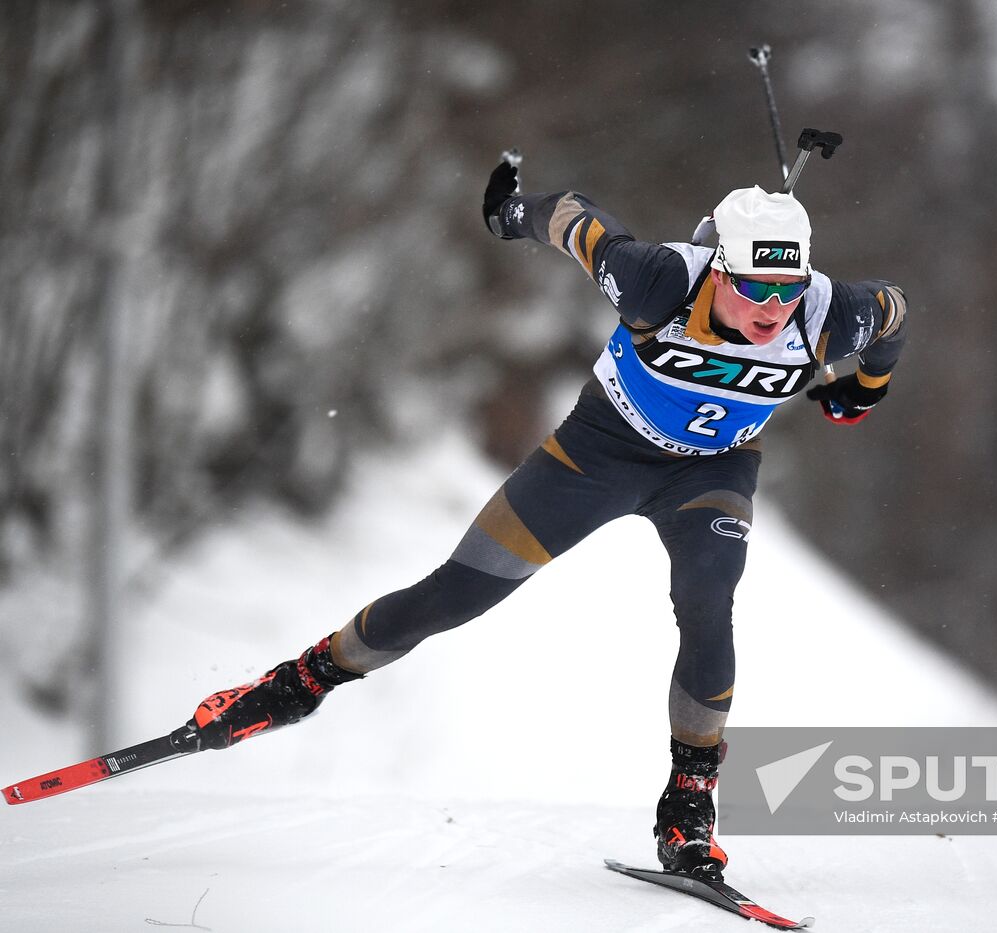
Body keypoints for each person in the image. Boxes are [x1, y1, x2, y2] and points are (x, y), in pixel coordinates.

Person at [183, 157, 909, 881]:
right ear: (719, 269)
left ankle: (688, 805)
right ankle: (294, 684)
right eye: (754, 285)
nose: (771, 308)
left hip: (710, 474)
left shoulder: (829, 312)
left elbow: (895, 315)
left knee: (708, 599)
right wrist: (510, 214)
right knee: (456, 594)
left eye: (787, 288)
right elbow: (575, 221)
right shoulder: (657, 280)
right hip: (598, 454)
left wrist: (862, 394)